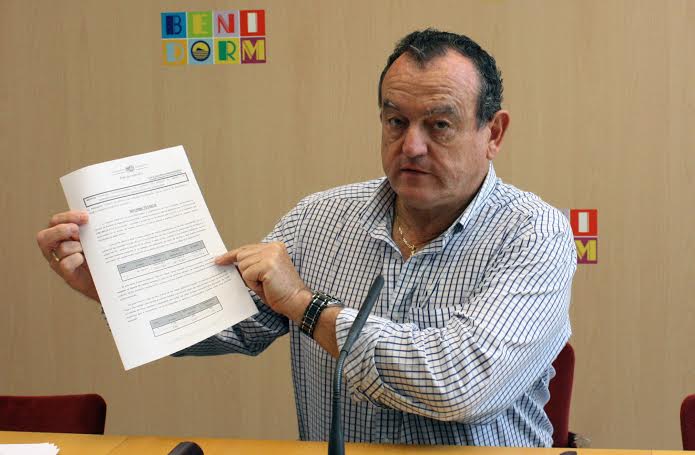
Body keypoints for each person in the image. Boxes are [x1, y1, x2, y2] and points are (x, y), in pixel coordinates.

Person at [36, 29, 576, 447]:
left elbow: (463, 384)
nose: (411, 146)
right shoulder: (319, 218)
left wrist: (306, 306)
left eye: (439, 125)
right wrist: (114, 289)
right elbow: (228, 325)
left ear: (493, 132)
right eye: (395, 121)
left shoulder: (535, 233)